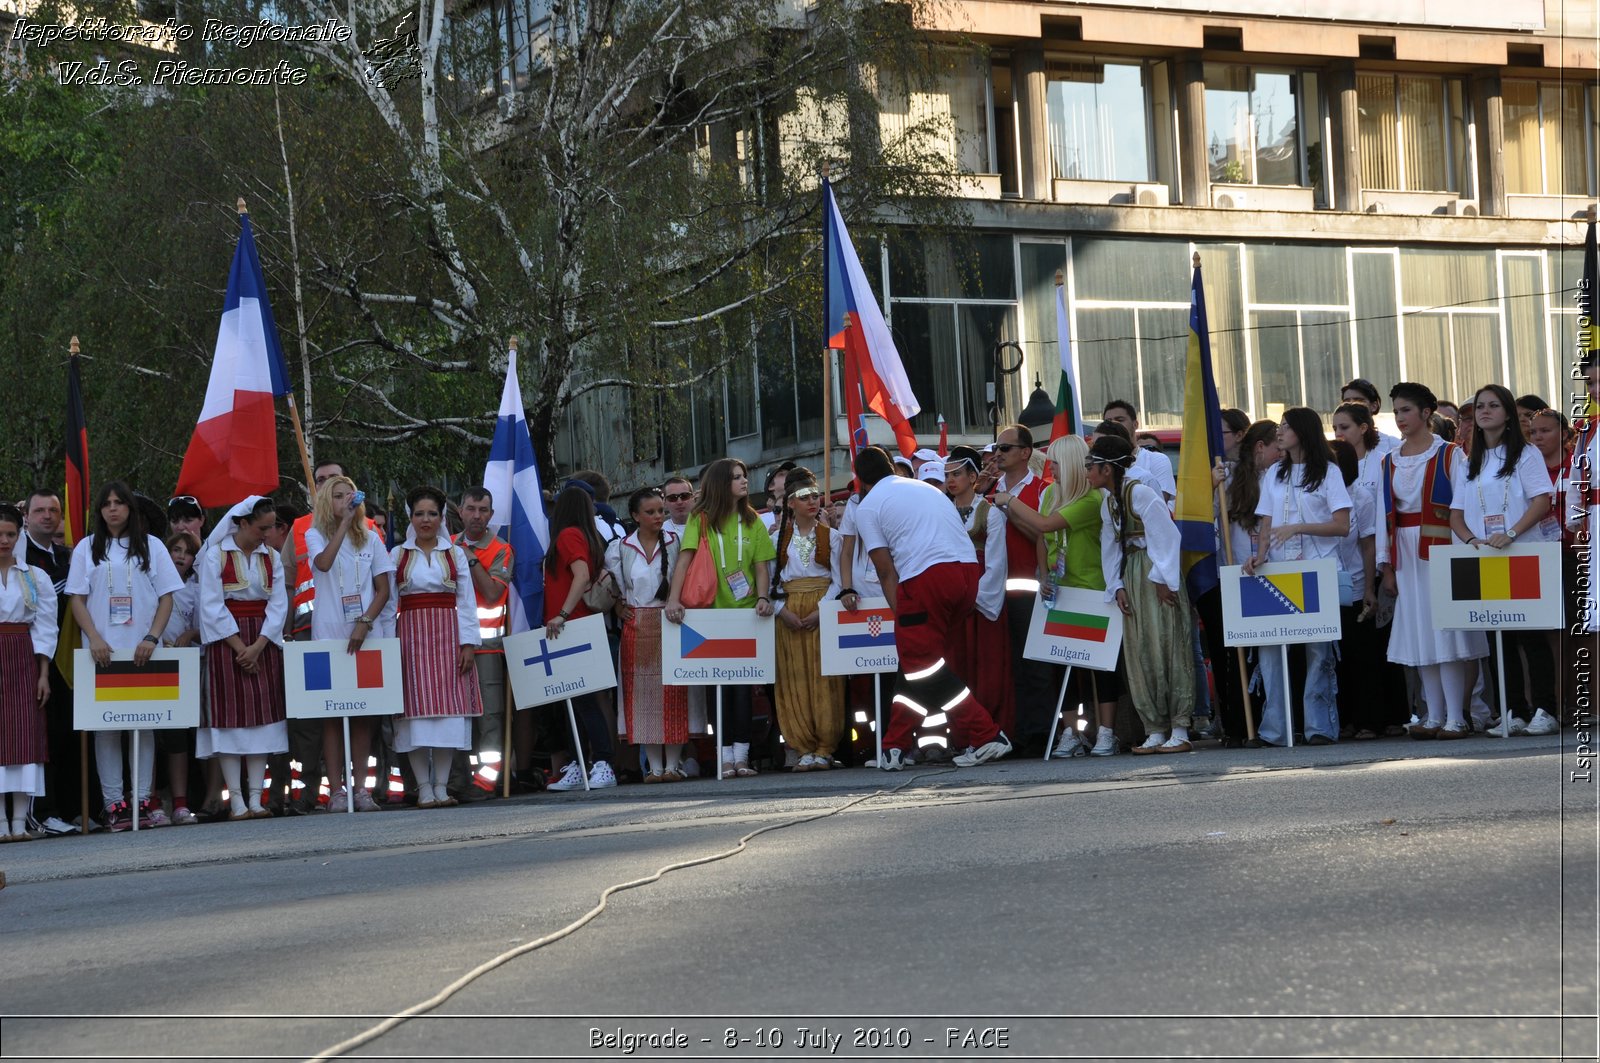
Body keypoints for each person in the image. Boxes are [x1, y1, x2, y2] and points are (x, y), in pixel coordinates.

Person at [849, 447, 1009, 770]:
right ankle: (894, 746)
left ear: (861, 481)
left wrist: (902, 615)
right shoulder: (924, 488)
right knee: (915, 662)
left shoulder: (867, 507)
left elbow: (884, 570)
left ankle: (987, 734)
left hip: (927, 578)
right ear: (892, 467)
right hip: (966, 575)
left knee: (922, 666)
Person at [67, 481, 182, 830]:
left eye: (120, 503)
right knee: (107, 728)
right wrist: (95, 637)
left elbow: (166, 597)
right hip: (102, 650)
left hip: (143, 648)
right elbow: (76, 598)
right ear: (99, 511)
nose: (113, 508)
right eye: (106, 504)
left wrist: (152, 637)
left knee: (143, 724)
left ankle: (143, 799)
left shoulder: (153, 546)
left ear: (131, 508)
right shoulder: (87, 547)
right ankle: (113, 802)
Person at [997, 436, 1121, 757]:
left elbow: (1045, 522)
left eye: (1055, 462)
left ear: (1071, 464)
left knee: (1099, 667)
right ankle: (1071, 732)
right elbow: (1043, 536)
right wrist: (1043, 574)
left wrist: (1008, 500)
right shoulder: (1051, 492)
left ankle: (1107, 732)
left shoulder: (1093, 499)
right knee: (1063, 662)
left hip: (1093, 591)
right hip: (1060, 592)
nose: (1049, 467)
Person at [1376, 382, 1487, 740]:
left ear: (1426, 413)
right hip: (1406, 553)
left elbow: (1465, 506)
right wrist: (1386, 565)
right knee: (1421, 632)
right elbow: (1384, 517)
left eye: (1406, 410)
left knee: (1447, 631)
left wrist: (1463, 553)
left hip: (1442, 548)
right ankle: (1433, 715)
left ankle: (1457, 716)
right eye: (1396, 412)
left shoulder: (1450, 455)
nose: (1400, 418)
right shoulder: (1389, 459)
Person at [1448, 384, 1556, 736]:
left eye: (1493, 405)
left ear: (1508, 413)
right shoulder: (1469, 461)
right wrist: (1471, 540)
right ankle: (1513, 710)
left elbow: (1542, 500)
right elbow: (1456, 516)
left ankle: (1545, 709)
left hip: (1522, 552)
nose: (1484, 412)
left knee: (1531, 635)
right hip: (1486, 557)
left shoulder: (1525, 454)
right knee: (1498, 635)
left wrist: (1510, 533)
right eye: (1480, 406)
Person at [1244, 407, 1352, 746]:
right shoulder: (1274, 472)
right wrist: (1259, 556)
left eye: (1286, 426)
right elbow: (1264, 522)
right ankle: (1274, 730)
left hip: (1317, 569)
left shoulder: (1329, 472)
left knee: (1319, 652)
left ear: (1302, 432)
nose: (1279, 432)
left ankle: (1319, 726)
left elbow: (1342, 525)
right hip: (1278, 570)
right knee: (1271, 650)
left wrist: (1299, 527)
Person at [665, 458, 777, 778]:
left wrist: (764, 597)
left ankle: (742, 757)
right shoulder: (700, 518)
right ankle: (724, 758)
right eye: (737, 478)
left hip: (743, 614)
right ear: (720, 483)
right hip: (710, 615)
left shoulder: (752, 519)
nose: (744, 482)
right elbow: (685, 562)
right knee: (718, 688)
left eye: (744, 477)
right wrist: (673, 599)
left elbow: (760, 567)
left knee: (742, 689)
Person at [1088, 436, 1195, 753]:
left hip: (1154, 570)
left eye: (1091, 466)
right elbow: (1110, 548)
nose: (1087, 473)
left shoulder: (1142, 493)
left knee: (1168, 644)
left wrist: (1164, 579)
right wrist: (1117, 586)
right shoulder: (1110, 501)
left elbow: (1167, 536)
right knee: (1140, 650)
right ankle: (1155, 728)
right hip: (1132, 573)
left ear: (1108, 469)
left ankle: (1179, 727)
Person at [196, 497, 290, 821]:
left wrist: (260, 645)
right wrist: (240, 647)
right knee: (230, 719)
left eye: (272, 527)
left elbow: (279, 605)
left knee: (262, 720)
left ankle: (255, 798)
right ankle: (235, 799)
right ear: (243, 523)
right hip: (228, 640)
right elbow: (210, 604)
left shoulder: (272, 558)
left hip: (262, 640)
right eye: (262, 527)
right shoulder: (215, 556)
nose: (268, 533)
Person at [390, 486, 482, 807]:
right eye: (419, 514)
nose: (425, 520)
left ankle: (442, 786)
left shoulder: (454, 553)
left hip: (448, 637)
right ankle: (424, 787)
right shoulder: (397, 555)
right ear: (410, 517)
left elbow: (466, 602)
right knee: (414, 716)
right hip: (410, 639)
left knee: (446, 714)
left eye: (432, 513)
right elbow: (389, 606)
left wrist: (468, 643)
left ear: (441, 517)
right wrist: (389, 650)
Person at [306, 475, 394, 811]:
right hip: (328, 634)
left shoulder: (371, 539)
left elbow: (383, 589)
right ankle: (337, 790)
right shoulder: (315, 535)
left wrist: (365, 622)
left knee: (363, 715)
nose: (346, 501)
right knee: (331, 716)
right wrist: (343, 524)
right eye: (338, 496)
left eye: (349, 495)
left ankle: (361, 789)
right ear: (329, 502)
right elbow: (324, 564)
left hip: (364, 635)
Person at [606, 487, 688, 781]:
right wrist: (617, 605)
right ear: (635, 516)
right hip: (637, 623)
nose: (658, 516)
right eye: (651, 512)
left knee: (674, 691)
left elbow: (684, 579)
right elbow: (613, 586)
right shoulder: (620, 547)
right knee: (641, 696)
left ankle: (673, 765)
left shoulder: (675, 541)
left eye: (660, 511)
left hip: (670, 620)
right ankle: (654, 767)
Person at [541, 484, 620, 790]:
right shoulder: (583, 534)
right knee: (575, 703)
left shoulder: (567, 535)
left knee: (583, 702)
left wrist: (561, 612)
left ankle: (602, 763)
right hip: (576, 625)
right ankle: (581, 764)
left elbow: (582, 576)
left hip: (572, 625)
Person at [768, 468, 845, 772]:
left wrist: (822, 610)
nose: (812, 501)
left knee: (825, 678)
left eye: (815, 496)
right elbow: (769, 582)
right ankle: (802, 747)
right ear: (790, 503)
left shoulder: (833, 537)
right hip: (788, 609)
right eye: (804, 497)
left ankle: (825, 747)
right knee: (793, 678)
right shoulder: (775, 539)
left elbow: (839, 580)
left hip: (820, 607)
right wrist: (781, 610)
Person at [941, 446, 1013, 752]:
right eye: (947, 475)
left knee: (989, 668)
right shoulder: (940, 512)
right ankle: (965, 735)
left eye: (957, 474)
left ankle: (993, 733)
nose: (951, 480)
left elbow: (997, 561)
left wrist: (976, 596)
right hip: (953, 598)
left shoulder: (991, 511)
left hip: (982, 599)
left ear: (973, 476)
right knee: (958, 668)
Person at [989, 424, 1053, 750]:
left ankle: (1042, 734)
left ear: (1025, 452)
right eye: (996, 448)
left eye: (1005, 448)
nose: (997, 454)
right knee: (1009, 667)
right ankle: (1019, 733)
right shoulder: (989, 490)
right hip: (996, 596)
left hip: (1031, 590)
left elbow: (1045, 538)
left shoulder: (1043, 489)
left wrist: (1012, 511)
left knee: (1037, 667)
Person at [0, 503, 58, 841]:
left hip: (23, 657)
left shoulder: (34, 577)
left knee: (23, 736)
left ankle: (20, 821)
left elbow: (45, 627)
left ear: (19, 535)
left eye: (10, 534)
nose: (4, 541)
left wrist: (43, 673)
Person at [451, 485, 513, 801]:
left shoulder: (501, 549)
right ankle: (459, 780)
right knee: (456, 716)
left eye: (483, 510)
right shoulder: (445, 545)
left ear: (490, 514)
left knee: (489, 718)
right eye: (471, 509)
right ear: (460, 511)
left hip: (488, 648)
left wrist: (470, 558)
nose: (477, 516)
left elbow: (492, 594)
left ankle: (488, 780)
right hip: (451, 647)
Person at [1223, 421, 1282, 746]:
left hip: (1272, 570)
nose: (1280, 454)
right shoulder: (1231, 476)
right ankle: (1244, 722)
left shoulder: (1279, 476)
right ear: (1260, 446)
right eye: (1276, 448)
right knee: (1245, 652)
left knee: (1271, 649)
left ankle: (1275, 721)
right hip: (1239, 571)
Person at [22, 489, 77, 832]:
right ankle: (42, 811)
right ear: (26, 516)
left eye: (53, 510)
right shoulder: (16, 556)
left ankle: (74, 808)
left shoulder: (69, 557)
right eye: (39, 510)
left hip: (69, 658)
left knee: (68, 734)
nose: (47, 516)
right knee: (39, 737)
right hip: (30, 658)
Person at [1329, 440, 1381, 740]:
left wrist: (1370, 588)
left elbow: (1368, 543)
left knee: (1362, 658)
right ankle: (1344, 718)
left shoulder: (1359, 496)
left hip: (1357, 584)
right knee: (1338, 659)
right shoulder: (1320, 494)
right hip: (1327, 586)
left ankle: (1368, 721)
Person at [158, 530, 202, 824]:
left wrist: (189, 634)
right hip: (154, 665)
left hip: (187, 666)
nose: (180, 556)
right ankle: (151, 801)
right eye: (175, 550)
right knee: (151, 736)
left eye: (186, 552)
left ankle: (180, 803)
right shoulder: (153, 585)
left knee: (179, 737)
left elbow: (205, 625)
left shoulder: (196, 589)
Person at [1102, 400, 1176, 502]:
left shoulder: (1157, 460)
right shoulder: (1100, 465)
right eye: (1108, 422)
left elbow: (1158, 504)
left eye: (1120, 420)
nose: (1114, 425)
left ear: (1135, 424)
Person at [1340, 378, 1401, 455]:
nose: (1352, 405)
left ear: (1374, 406)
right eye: (1347, 402)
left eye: (1359, 401)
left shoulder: (1392, 445)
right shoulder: (1337, 448)